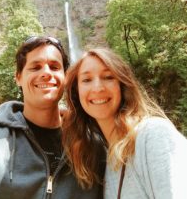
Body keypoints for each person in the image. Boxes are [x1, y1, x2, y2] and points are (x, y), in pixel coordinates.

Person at [0, 36, 105, 199]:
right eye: (35, 67)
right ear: (18, 77)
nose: (46, 73)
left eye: (54, 66)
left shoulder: (93, 145)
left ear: (65, 78)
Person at [63, 47, 187, 199]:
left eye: (108, 77)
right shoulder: (104, 158)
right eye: (87, 80)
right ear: (77, 92)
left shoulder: (153, 135)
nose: (98, 88)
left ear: (122, 85)